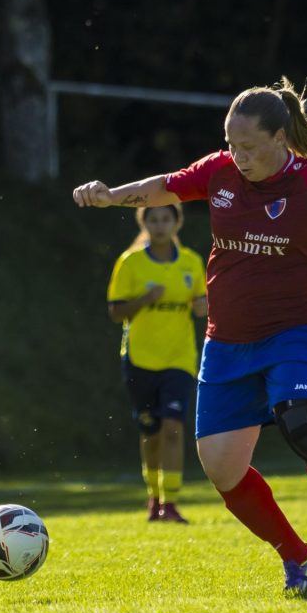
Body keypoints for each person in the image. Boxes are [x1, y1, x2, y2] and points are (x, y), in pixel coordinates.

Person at [73, 77, 307, 594]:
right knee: (222, 469)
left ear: (280, 138)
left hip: (294, 332)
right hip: (226, 343)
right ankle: (298, 557)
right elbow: (167, 185)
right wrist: (110, 196)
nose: (239, 156)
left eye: (249, 146)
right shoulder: (221, 172)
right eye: (232, 144)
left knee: (303, 427)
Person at [107, 204, 207, 523]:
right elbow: (116, 312)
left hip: (180, 358)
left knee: (173, 428)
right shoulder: (130, 262)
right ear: (144, 223)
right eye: (154, 220)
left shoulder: (191, 261)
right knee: (150, 432)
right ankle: (154, 498)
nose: (160, 225)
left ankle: (171, 504)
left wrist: (203, 305)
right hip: (140, 358)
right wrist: (144, 300)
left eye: (166, 219)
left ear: (177, 223)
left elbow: (201, 304)